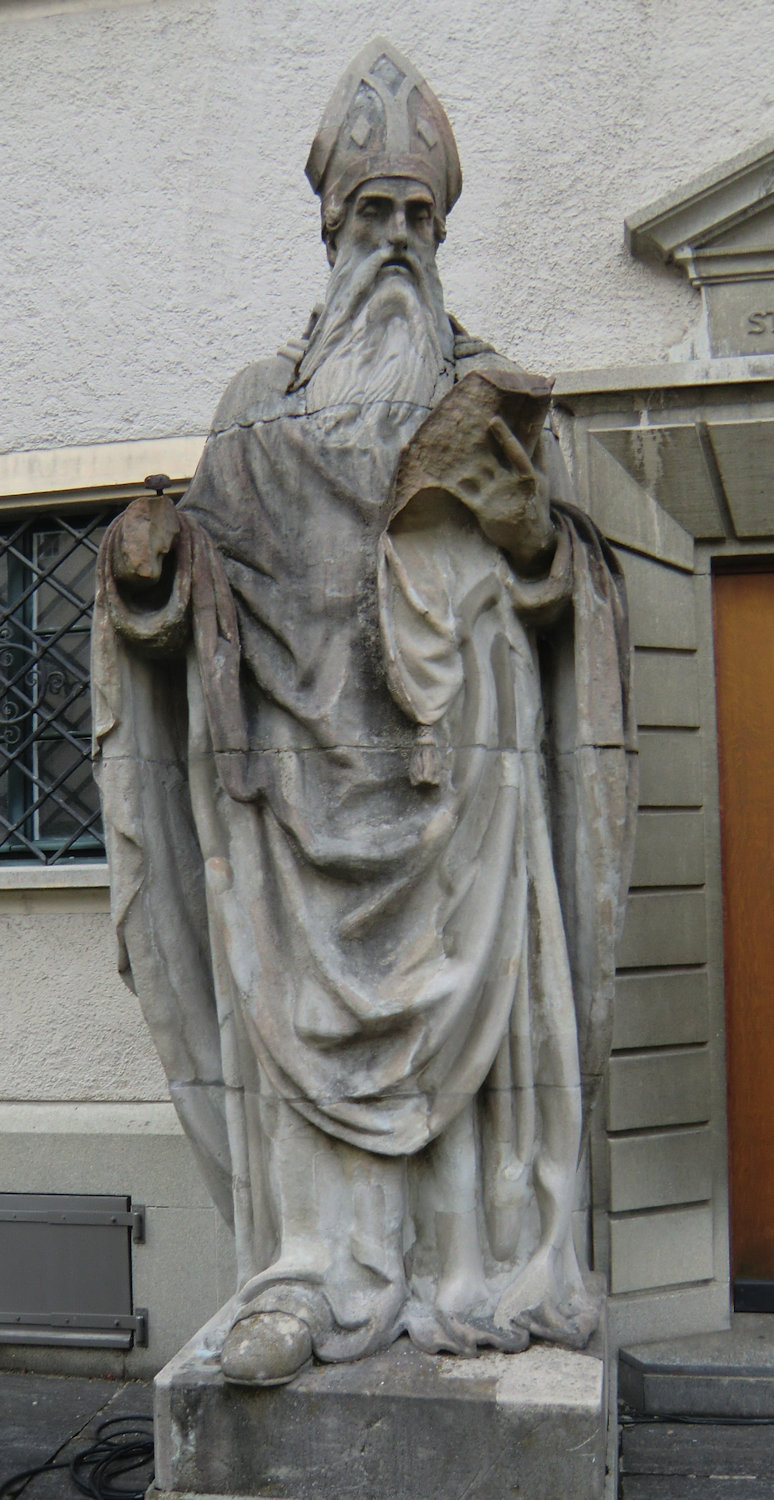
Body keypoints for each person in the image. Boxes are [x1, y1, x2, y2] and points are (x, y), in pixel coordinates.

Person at [91, 38, 636, 1387]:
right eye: (370, 215)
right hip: (292, 803)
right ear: (328, 222)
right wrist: (144, 578)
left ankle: (476, 1273)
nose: (392, 241)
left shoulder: (492, 394)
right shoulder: (251, 409)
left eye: (415, 219)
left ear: (440, 228)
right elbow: (179, 609)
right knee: (305, 1055)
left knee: (478, 1064)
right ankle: (313, 1281)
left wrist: (532, 546)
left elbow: (582, 600)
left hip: (469, 796)